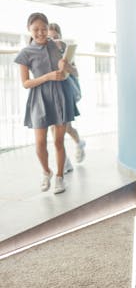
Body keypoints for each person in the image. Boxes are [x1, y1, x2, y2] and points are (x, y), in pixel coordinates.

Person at [14, 13, 79, 194]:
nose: (40, 33)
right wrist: (48, 76)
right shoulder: (25, 53)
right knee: (40, 143)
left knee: (59, 141)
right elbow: (25, 83)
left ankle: (59, 177)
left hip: (61, 95)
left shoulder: (59, 46)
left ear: (48, 28)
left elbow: (75, 72)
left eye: (43, 29)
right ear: (29, 30)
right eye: (36, 30)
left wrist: (67, 67)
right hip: (39, 98)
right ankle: (46, 171)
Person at [48, 23, 86, 168]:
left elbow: (76, 72)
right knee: (54, 128)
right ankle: (65, 162)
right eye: (50, 38)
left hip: (65, 93)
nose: (53, 41)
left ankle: (79, 142)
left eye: (55, 37)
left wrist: (66, 66)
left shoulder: (65, 52)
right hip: (50, 93)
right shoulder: (43, 52)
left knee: (66, 128)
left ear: (60, 37)